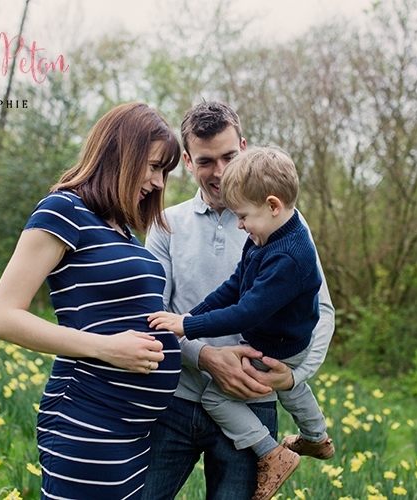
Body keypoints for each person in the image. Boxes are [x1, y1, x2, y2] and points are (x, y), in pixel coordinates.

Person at [0, 102, 183, 500]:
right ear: (121, 154)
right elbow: (1, 317)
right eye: (153, 166)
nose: (159, 183)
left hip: (132, 432)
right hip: (88, 420)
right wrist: (107, 349)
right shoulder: (64, 210)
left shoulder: (122, 230)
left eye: (165, 171)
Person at [141, 102, 335, 500]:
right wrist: (205, 355)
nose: (221, 171)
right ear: (189, 163)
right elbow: (156, 316)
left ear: (244, 147)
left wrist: (295, 377)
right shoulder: (167, 224)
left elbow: (323, 313)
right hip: (174, 401)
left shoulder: (284, 229)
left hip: (253, 402)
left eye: (230, 156)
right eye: (206, 161)